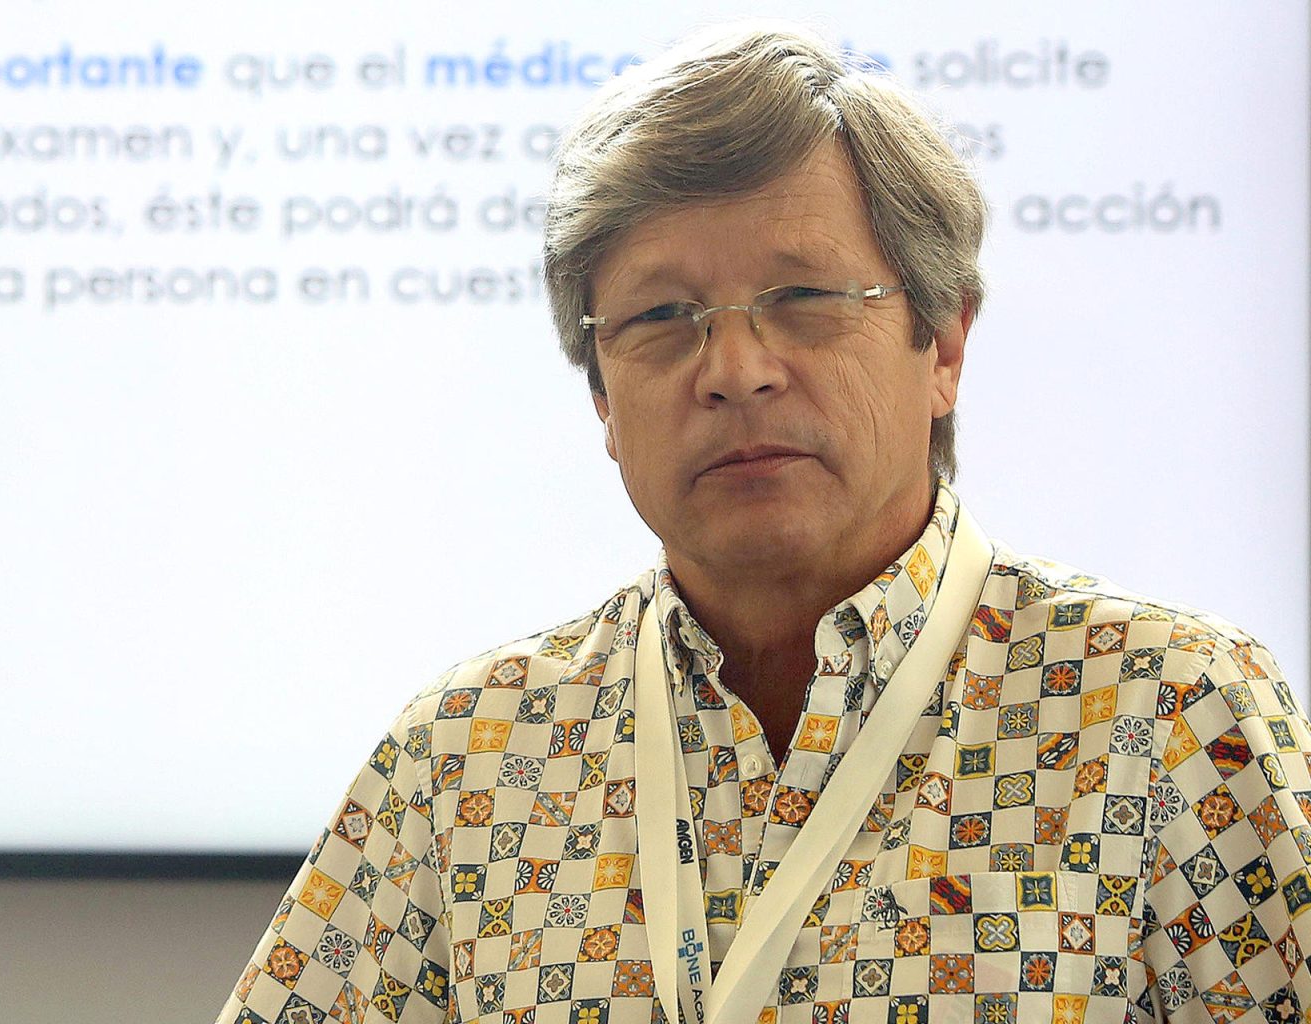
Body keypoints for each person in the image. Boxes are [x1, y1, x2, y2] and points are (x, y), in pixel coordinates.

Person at [216, 22, 1310, 1024]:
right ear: (600, 394)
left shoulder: (1172, 717)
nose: (735, 370)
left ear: (944, 344)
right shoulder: (464, 756)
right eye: (661, 318)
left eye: (805, 300)